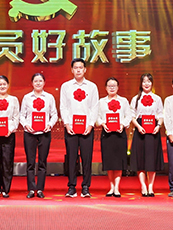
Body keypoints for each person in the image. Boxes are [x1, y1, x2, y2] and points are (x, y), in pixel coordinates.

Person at [60, 58, 100, 198]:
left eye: (80, 67)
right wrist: (66, 124)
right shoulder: (66, 86)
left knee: (87, 158)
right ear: (72, 70)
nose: (78, 70)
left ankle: (86, 187)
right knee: (71, 157)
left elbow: (94, 107)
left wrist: (90, 124)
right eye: (75, 67)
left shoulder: (92, 87)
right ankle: (71, 186)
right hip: (70, 127)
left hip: (87, 128)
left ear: (85, 70)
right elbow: (63, 107)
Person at [20, 73, 58, 199]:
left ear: (44, 83)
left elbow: (54, 114)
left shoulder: (49, 97)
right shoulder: (27, 98)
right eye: (35, 81)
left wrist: (49, 125)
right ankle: (31, 189)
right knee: (30, 162)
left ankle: (40, 189)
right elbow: (22, 115)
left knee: (42, 162)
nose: (38, 83)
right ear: (32, 83)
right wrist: (26, 125)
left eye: (40, 81)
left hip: (44, 133)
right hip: (29, 133)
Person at [97, 77, 133, 197]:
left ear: (118, 87)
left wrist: (122, 124)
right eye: (109, 86)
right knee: (109, 162)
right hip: (106, 134)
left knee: (118, 162)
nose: (112, 88)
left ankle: (117, 187)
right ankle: (111, 186)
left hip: (119, 134)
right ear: (105, 88)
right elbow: (97, 116)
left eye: (114, 86)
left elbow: (128, 116)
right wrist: (103, 124)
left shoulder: (124, 101)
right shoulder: (101, 102)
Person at [130, 74, 164, 197]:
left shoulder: (157, 99)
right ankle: (143, 186)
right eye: (144, 81)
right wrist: (138, 127)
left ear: (152, 83)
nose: (146, 84)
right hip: (140, 130)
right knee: (140, 159)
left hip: (153, 130)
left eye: (149, 81)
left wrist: (158, 126)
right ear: (141, 83)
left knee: (151, 159)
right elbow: (132, 116)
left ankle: (150, 186)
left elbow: (161, 115)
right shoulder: (136, 99)